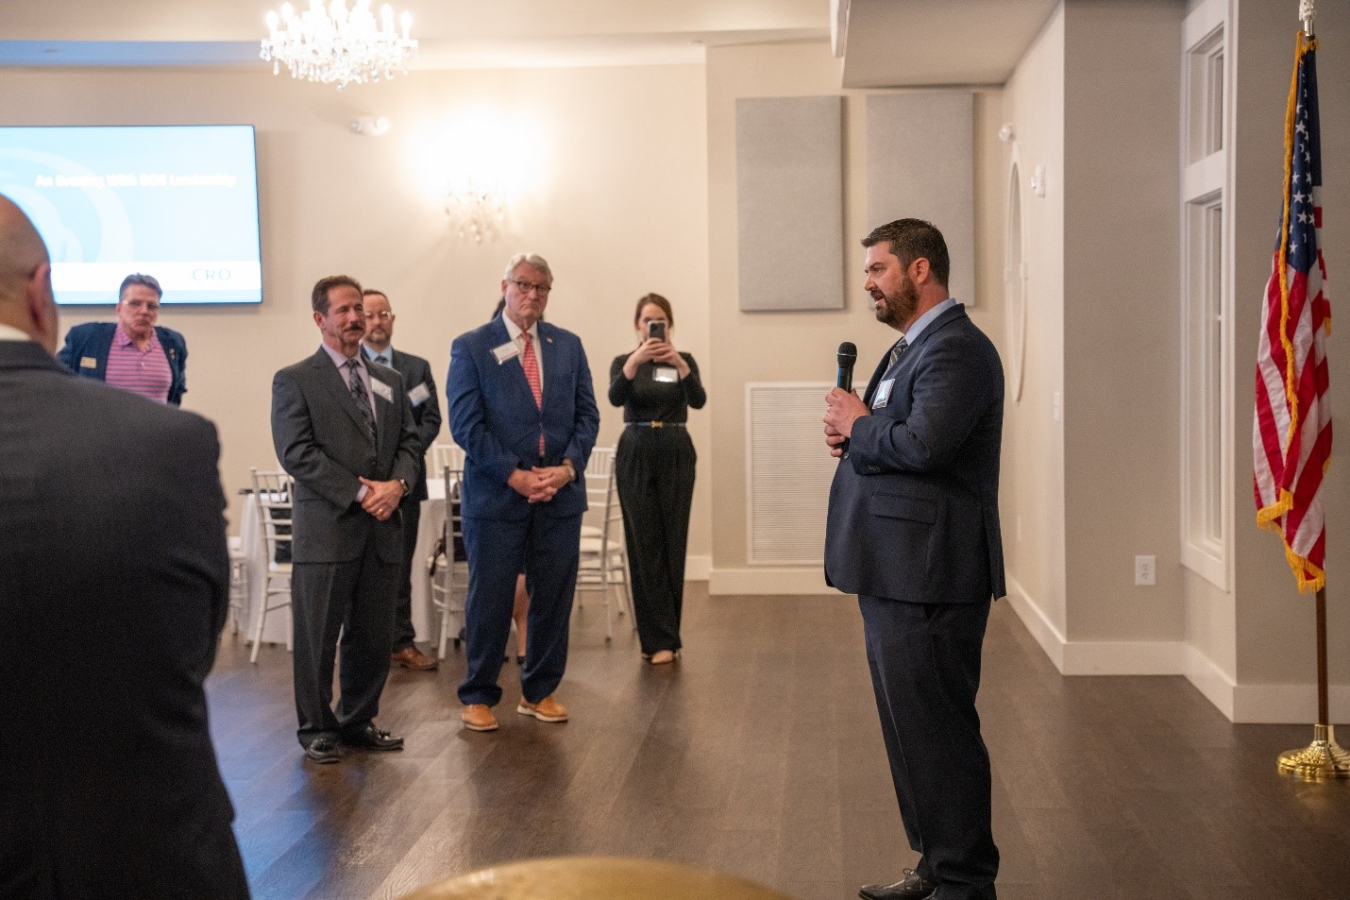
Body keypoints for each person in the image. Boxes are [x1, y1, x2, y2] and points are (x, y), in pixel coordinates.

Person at [0, 193, 250, 898]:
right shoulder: (173, 445)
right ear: (42, 292)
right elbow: (195, 639)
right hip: (145, 842)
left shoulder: (170, 366)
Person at [823, 219, 1004, 900]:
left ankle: (964, 881)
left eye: (878, 269)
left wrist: (858, 425)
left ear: (920, 269)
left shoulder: (956, 349)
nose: (867, 282)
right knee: (911, 731)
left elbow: (927, 445)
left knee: (940, 731)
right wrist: (860, 429)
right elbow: (899, 434)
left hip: (931, 572)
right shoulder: (909, 349)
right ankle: (935, 865)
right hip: (896, 568)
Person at [446, 252, 599, 732]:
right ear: (505, 286)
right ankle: (478, 695)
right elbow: (466, 425)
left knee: (552, 597)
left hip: (559, 495)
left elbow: (587, 416)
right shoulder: (472, 346)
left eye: (542, 288)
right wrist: (514, 474)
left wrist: (568, 469)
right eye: (524, 285)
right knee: (490, 597)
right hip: (496, 497)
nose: (533, 295)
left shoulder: (567, 345)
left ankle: (540, 691)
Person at [271, 275, 420, 764]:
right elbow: (298, 453)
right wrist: (361, 492)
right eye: (344, 310)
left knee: (373, 634)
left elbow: (409, 444)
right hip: (329, 527)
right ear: (320, 319)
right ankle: (316, 726)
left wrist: (397, 486)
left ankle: (358, 719)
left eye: (359, 308)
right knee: (319, 636)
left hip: (383, 526)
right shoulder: (295, 379)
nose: (356, 318)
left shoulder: (392, 379)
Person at [608, 293, 705, 664]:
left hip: (676, 447)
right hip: (636, 448)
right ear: (637, 325)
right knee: (642, 541)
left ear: (670, 324)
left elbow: (698, 400)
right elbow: (616, 397)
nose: (654, 327)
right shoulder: (623, 362)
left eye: (660, 321)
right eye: (648, 321)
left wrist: (679, 362)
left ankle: (670, 636)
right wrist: (635, 361)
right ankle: (655, 642)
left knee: (673, 540)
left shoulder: (685, 362)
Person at [361, 288, 443, 672]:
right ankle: (366, 646)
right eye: (370, 315)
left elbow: (430, 420)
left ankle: (401, 642)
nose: (378, 322)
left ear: (393, 318)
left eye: (384, 314)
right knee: (364, 568)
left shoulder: (416, 368)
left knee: (400, 565)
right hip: (363, 487)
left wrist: (403, 460)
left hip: (406, 485)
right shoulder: (349, 367)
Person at [57, 272, 188, 405]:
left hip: (158, 426)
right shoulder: (87, 339)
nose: (144, 311)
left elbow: (176, 393)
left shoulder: (173, 343)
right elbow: (57, 381)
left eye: (151, 306)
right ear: (119, 309)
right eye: (135, 303)